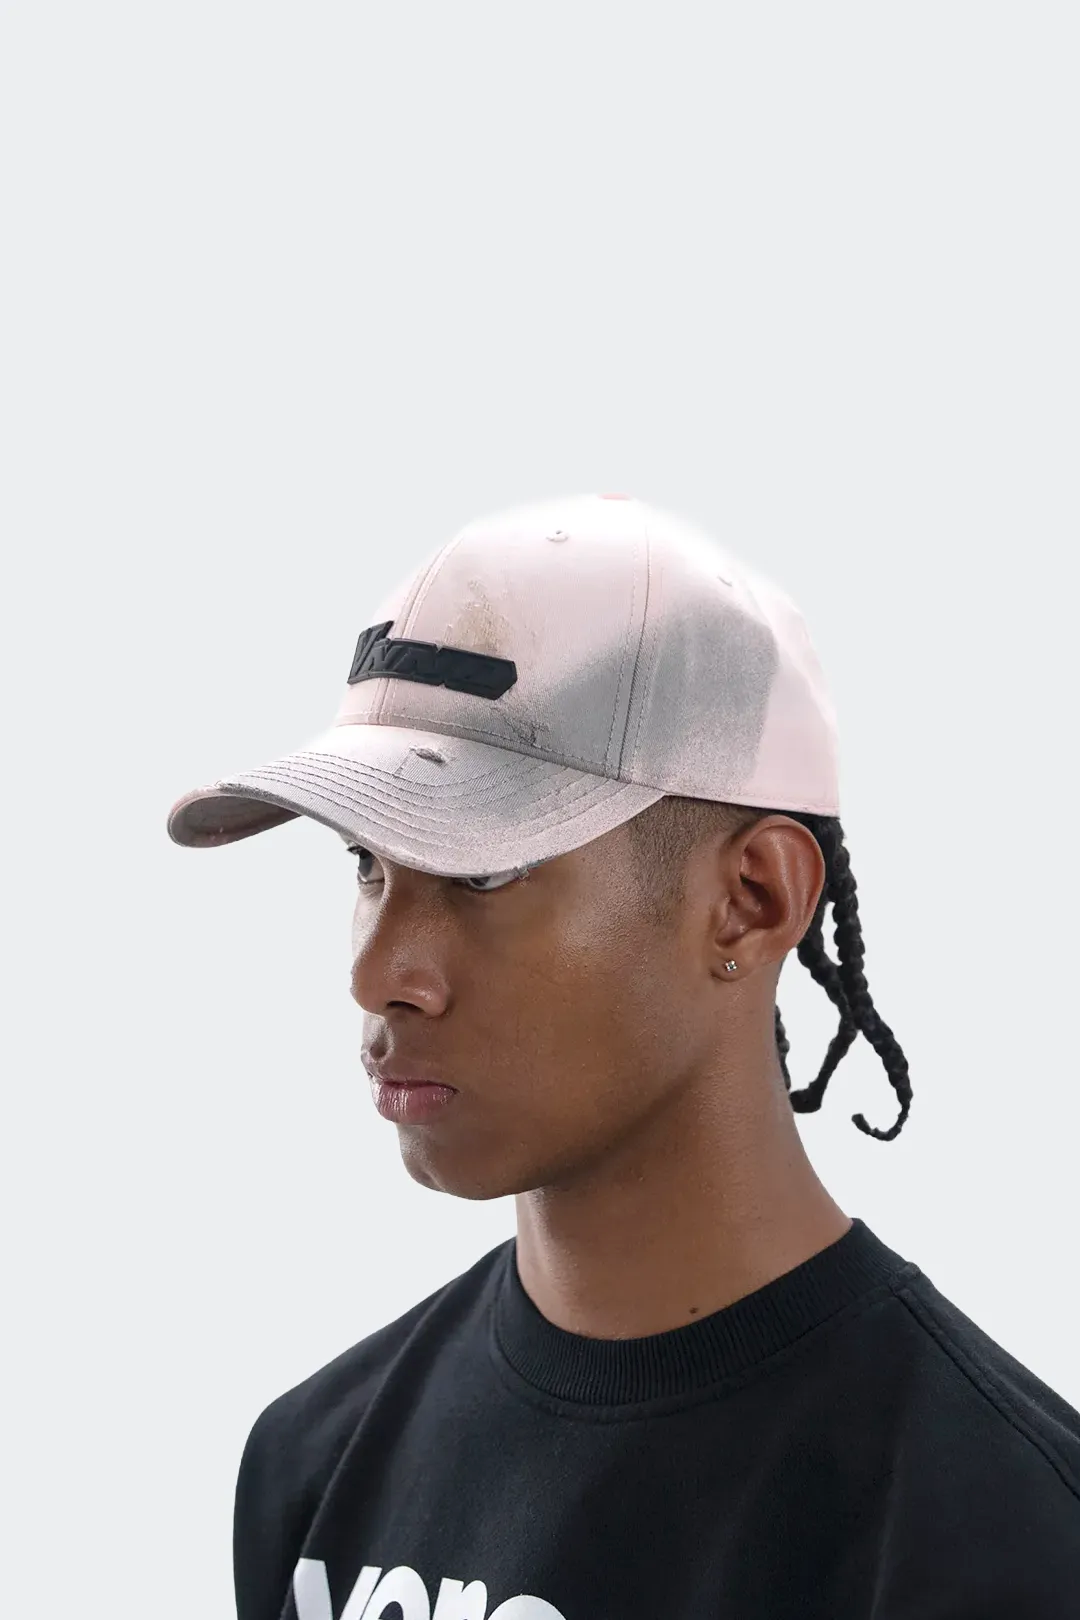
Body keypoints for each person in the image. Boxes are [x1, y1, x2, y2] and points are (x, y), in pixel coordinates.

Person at [167, 492, 1080, 1620]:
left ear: (752, 899)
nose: (379, 973)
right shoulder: (313, 1467)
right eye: (367, 863)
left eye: (483, 872)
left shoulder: (998, 1536)